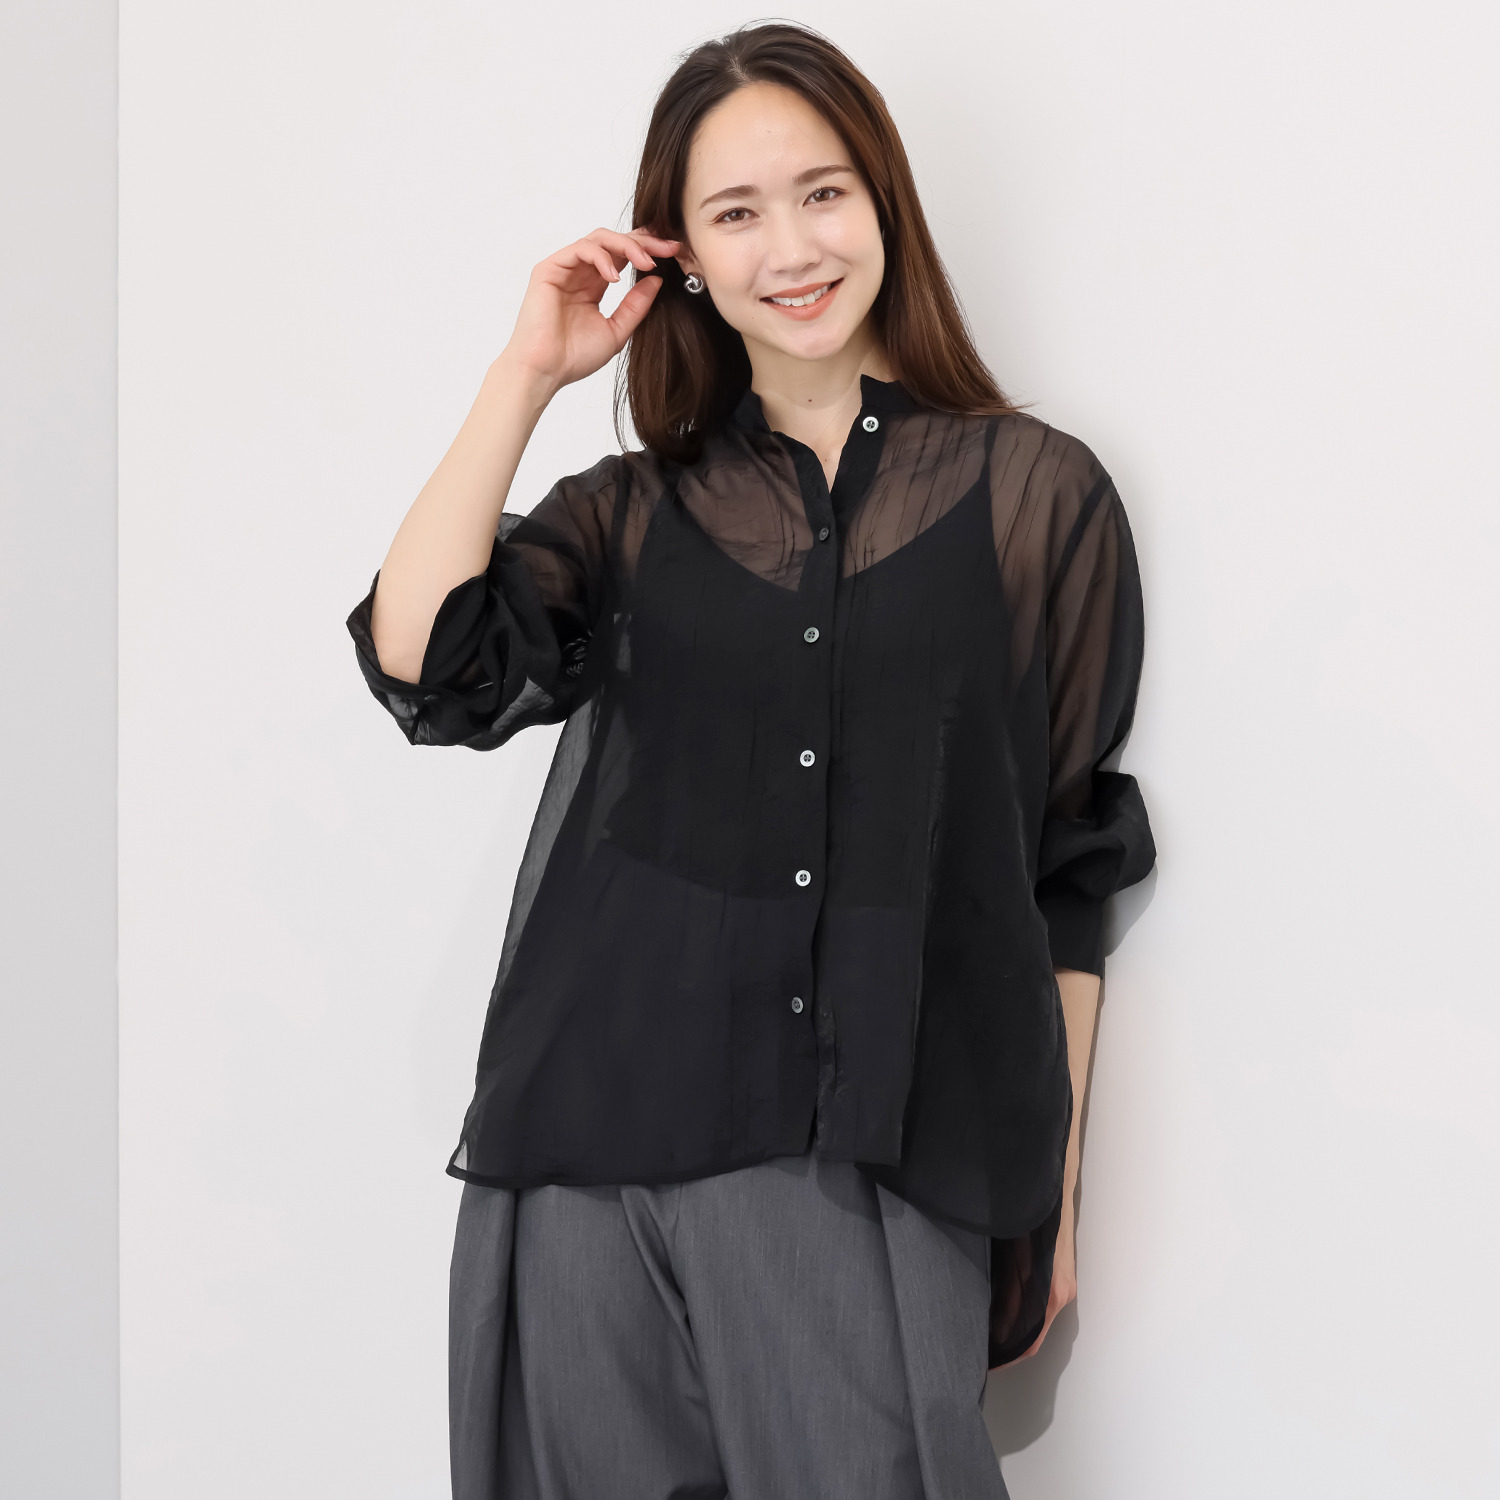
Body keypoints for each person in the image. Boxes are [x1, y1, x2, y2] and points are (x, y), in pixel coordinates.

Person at [346, 21, 1154, 1500]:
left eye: (823, 192)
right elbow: (427, 662)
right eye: (735, 212)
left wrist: (1053, 1192)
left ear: (884, 201)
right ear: (685, 259)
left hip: (867, 1158)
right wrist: (527, 371)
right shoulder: (629, 511)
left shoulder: (1036, 495)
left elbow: (1065, 861)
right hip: (582, 1152)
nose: (791, 246)